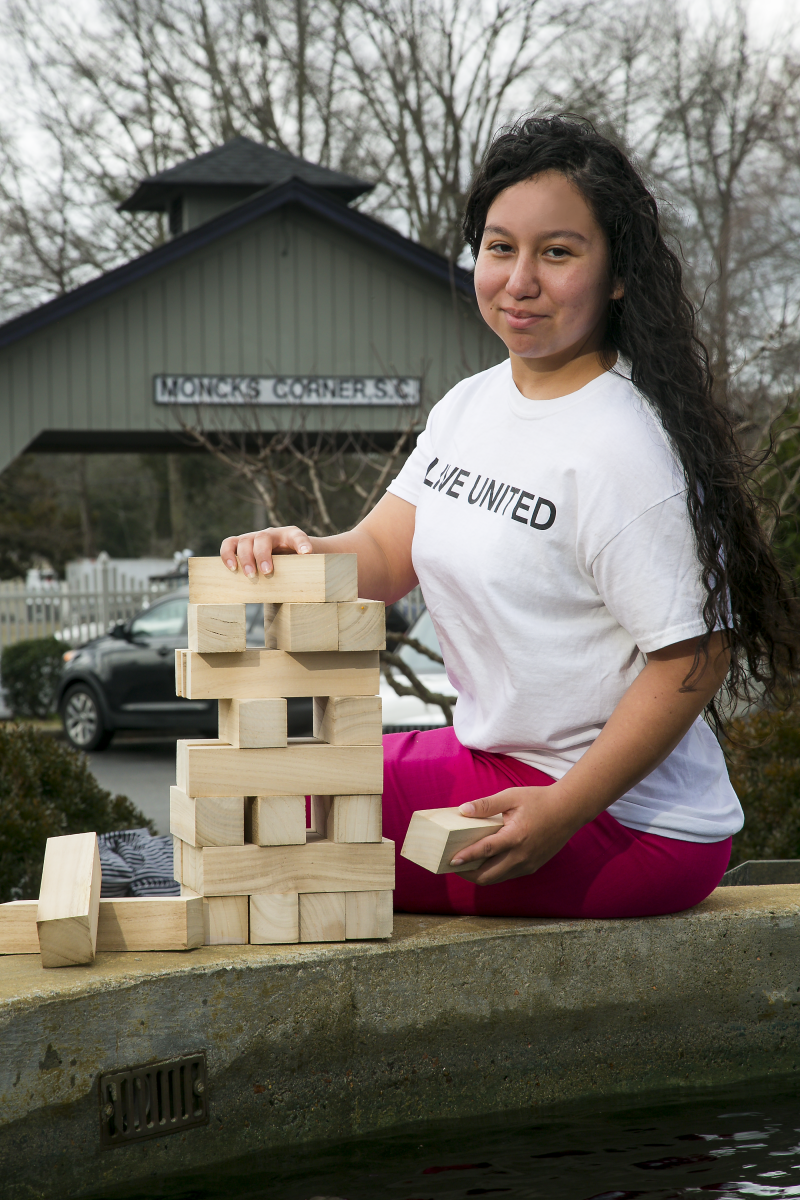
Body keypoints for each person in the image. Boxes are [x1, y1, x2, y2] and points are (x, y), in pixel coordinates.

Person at [220, 116, 800, 920]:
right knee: (266, 785)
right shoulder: (473, 404)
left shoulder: (625, 449)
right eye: (500, 248)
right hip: (493, 761)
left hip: (622, 823)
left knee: (278, 835)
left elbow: (694, 660)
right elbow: (389, 550)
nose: (520, 280)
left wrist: (564, 811)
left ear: (617, 273)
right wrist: (305, 549)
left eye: (557, 253)